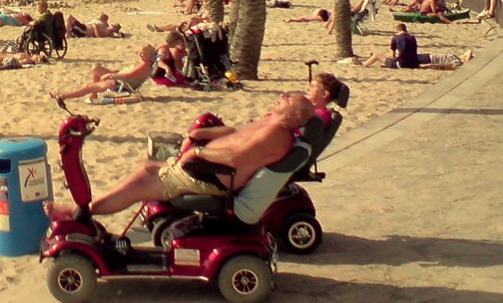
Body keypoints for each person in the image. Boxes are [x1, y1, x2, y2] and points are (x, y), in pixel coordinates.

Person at [44, 92, 316, 217]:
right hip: (206, 168)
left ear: (293, 115)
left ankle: (82, 212)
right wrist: (204, 135)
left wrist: (196, 152)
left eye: (288, 98)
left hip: (214, 178)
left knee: (140, 182)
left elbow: (235, 159)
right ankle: (87, 208)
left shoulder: (276, 134)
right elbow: (236, 133)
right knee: (148, 166)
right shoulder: (272, 124)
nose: (282, 95)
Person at [49, 44, 156, 101]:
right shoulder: (144, 63)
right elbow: (129, 73)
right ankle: (93, 95)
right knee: (96, 68)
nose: (139, 54)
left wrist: (111, 75)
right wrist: (115, 72)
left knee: (88, 86)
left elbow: (128, 76)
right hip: (120, 79)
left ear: (149, 55)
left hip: (120, 83)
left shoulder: (144, 66)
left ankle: (62, 96)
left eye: (142, 53)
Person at [356, 23, 474, 69]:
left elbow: (394, 53)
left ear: (397, 31)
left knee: (376, 55)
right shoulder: (412, 38)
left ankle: (363, 65)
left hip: (401, 64)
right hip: (413, 62)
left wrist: (392, 60)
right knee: (386, 60)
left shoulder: (395, 38)